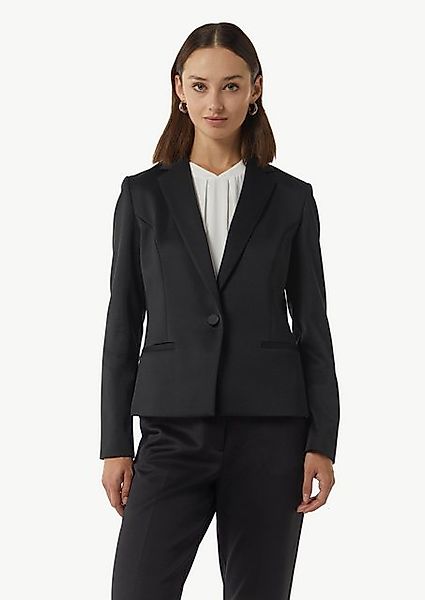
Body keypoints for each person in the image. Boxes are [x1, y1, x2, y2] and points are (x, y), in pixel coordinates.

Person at [100, 21, 340, 600]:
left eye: (231, 86)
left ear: (255, 89)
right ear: (178, 88)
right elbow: (122, 322)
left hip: (271, 433)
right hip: (171, 429)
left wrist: (323, 440)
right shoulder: (142, 195)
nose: (215, 102)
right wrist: (114, 442)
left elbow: (313, 325)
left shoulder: (291, 198)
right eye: (201, 86)